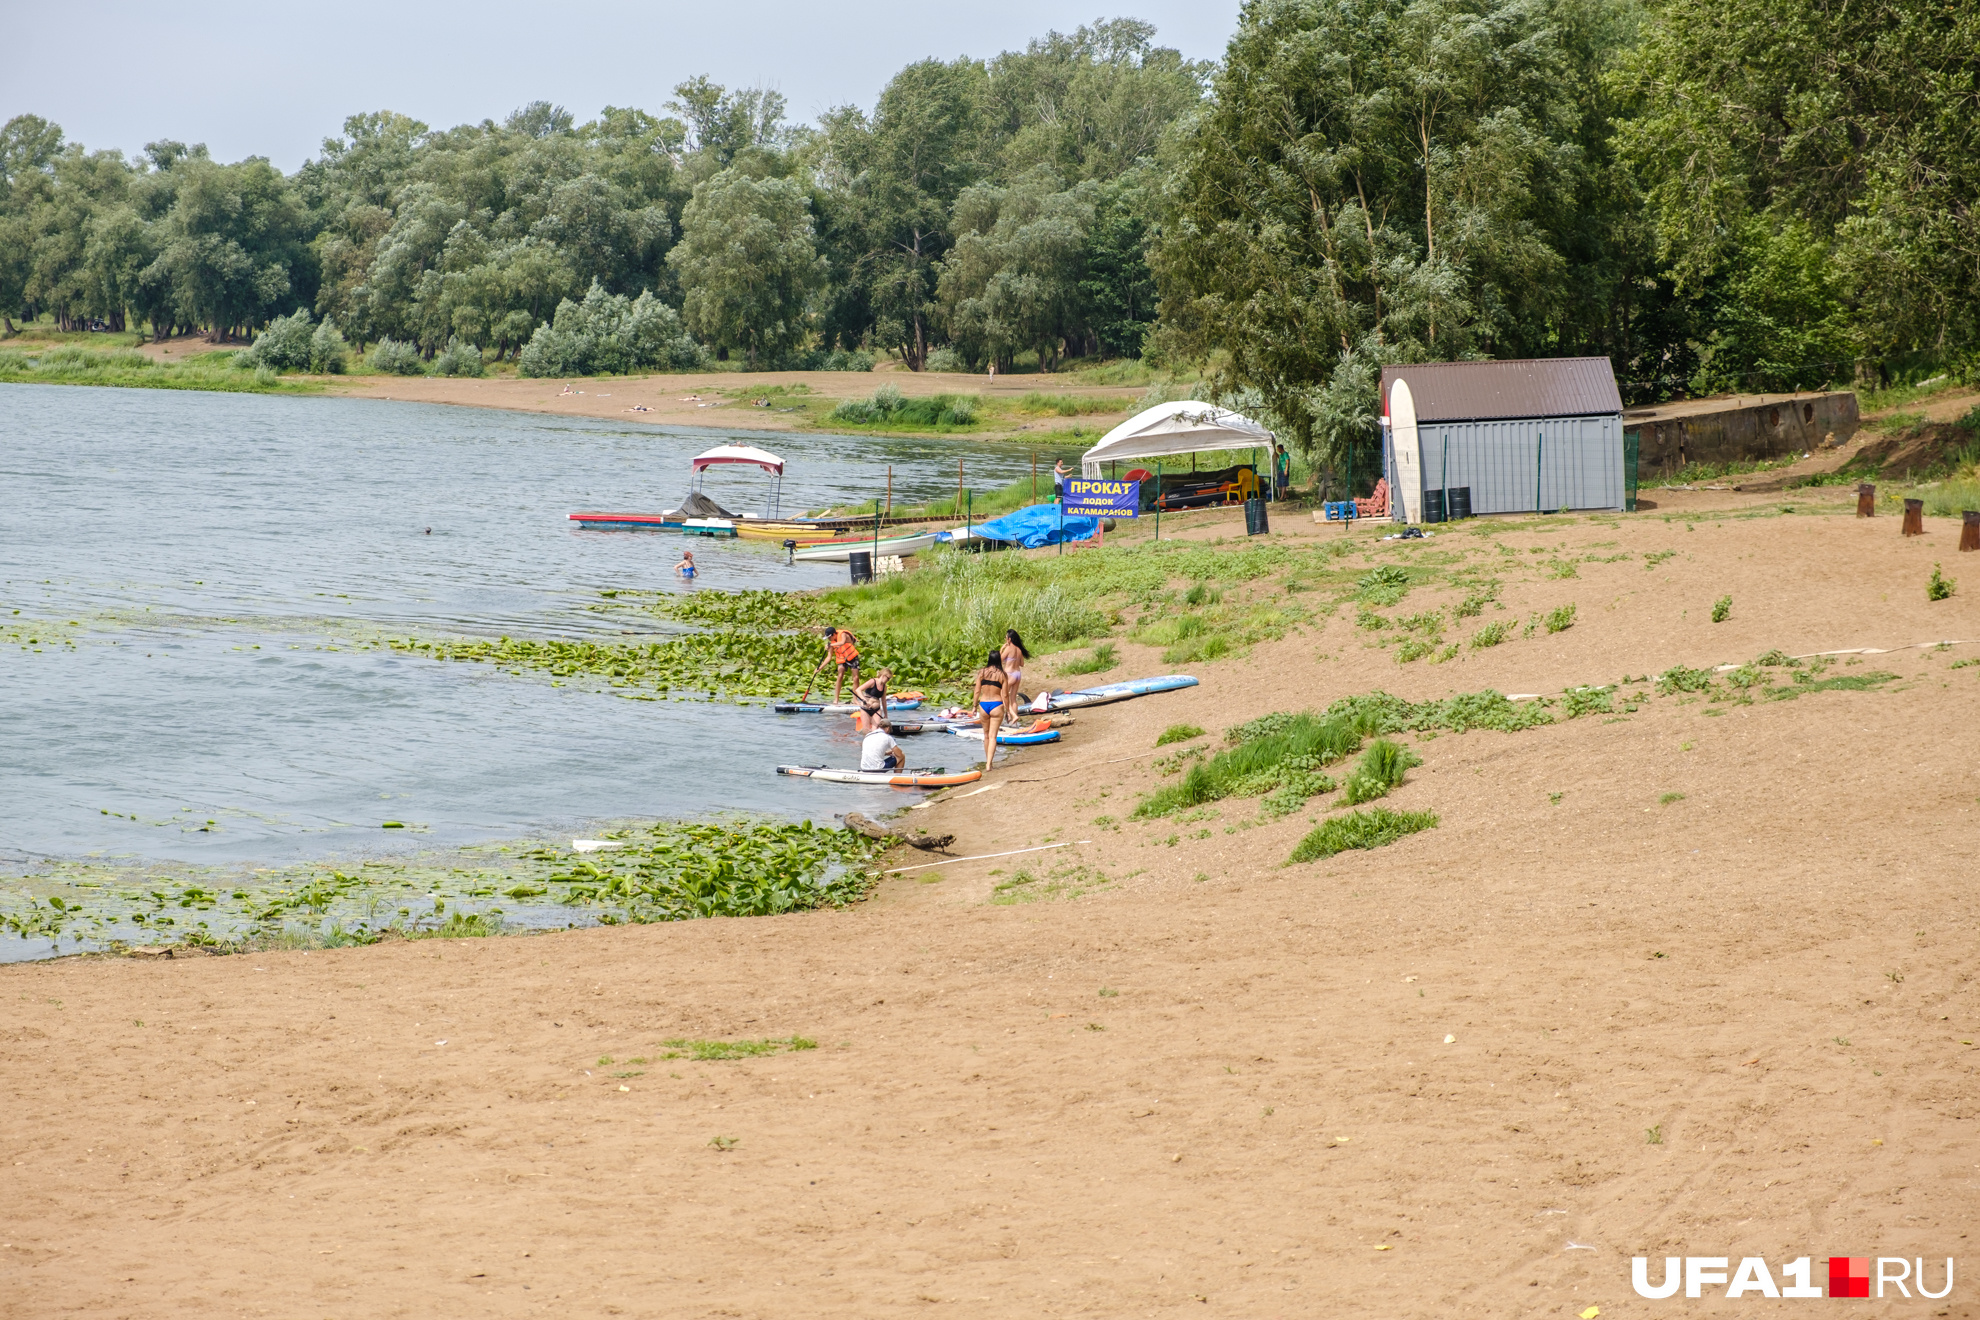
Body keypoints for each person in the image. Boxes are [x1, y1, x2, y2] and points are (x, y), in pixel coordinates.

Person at [801, 626, 861, 704]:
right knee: (840, 676)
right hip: (842, 658)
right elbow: (829, 657)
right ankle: (836, 699)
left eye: (829, 637)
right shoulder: (831, 643)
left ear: (834, 634)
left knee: (856, 678)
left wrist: (831, 645)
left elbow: (842, 642)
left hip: (852, 656)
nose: (829, 639)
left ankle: (855, 700)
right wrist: (820, 668)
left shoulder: (843, 634)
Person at [974, 650, 1009, 769]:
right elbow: (1005, 695)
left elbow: (977, 691)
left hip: (983, 705)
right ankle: (989, 764)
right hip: (996, 705)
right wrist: (1008, 710)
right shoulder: (1002, 674)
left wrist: (974, 706)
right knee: (993, 736)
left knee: (986, 735)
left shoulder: (981, 672)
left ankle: (988, 762)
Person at [1001, 629, 1030, 710]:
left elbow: (1000, 659)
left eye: (1006, 637)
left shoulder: (1009, 648)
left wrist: (1001, 649)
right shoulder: (1019, 650)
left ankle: (1009, 716)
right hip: (1017, 674)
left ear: (1009, 639)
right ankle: (1014, 719)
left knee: (1003, 695)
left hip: (1009, 674)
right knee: (1013, 698)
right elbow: (1022, 664)